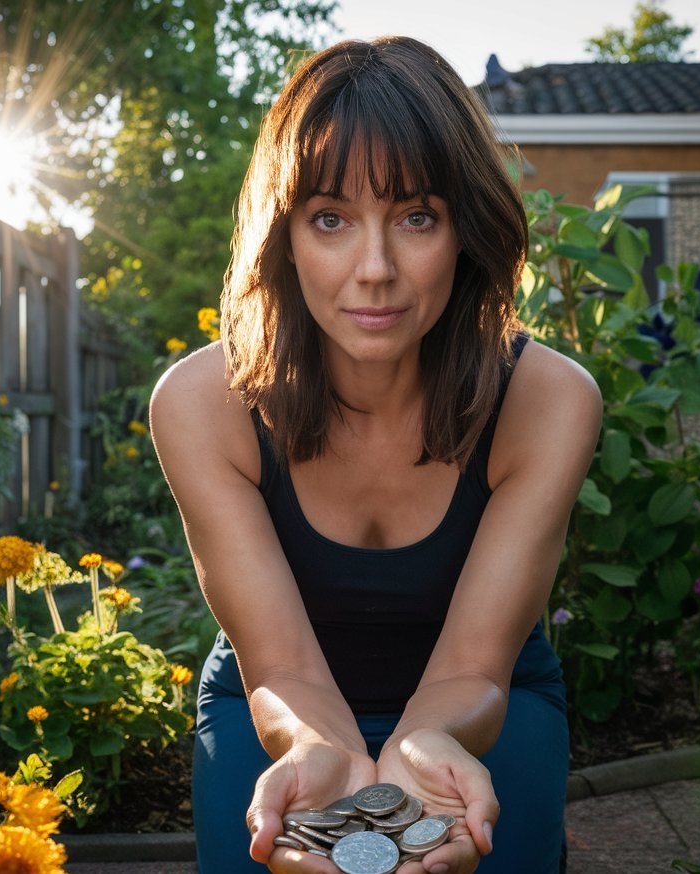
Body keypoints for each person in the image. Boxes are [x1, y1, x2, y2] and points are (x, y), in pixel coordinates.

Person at [150, 35, 602, 874]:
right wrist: (315, 744)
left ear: (465, 228)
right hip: (275, 705)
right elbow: (280, 661)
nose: (375, 270)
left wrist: (423, 741)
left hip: (484, 701)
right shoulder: (200, 404)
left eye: (417, 217)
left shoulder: (547, 402)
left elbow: (474, 661)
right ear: (282, 233)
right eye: (330, 219)